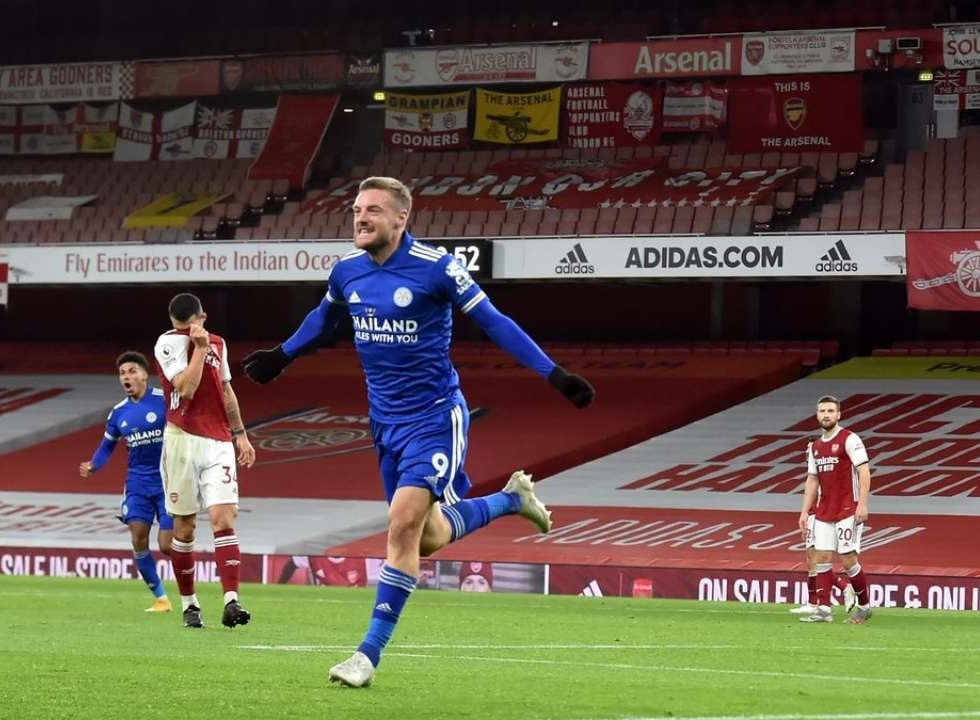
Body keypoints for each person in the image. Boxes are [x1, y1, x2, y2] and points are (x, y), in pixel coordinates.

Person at [241, 176, 594, 687]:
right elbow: (323, 318)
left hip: (434, 418)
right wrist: (283, 354)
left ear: (401, 218)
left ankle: (366, 656)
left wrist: (553, 374)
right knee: (427, 537)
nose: (361, 218)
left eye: (373, 210)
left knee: (402, 524)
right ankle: (511, 500)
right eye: (356, 210)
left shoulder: (438, 269)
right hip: (384, 423)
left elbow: (494, 321)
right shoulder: (347, 272)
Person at [155, 292, 257, 629]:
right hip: (181, 441)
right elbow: (185, 389)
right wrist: (199, 349)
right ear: (200, 316)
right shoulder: (168, 343)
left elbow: (225, 390)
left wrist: (240, 433)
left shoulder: (219, 343)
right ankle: (190, 604)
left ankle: (231, 601)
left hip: (218, 442)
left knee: (222, 519)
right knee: (184, 528)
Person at [79, 351, 173, 613]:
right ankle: (161, 599)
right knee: (138, 538)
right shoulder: (119, 413)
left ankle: (188, 584)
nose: (126, 377)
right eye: (122, 373)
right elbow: (107, 446)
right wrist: (93, 465)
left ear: (144, 374)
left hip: (169, 480)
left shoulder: (165, 400)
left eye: (132, 371)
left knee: (167, 546)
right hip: (137, 484)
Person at [797, 395, 874, 624]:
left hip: (848, 509)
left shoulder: (850, 439)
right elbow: (812, 479)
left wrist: (863, 503)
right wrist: (804, 511)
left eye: (831, 411)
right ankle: (823, 610)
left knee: (848, 559)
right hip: (825, 510)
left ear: (839, 414)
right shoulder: (815, 447)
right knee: (821, 556)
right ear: (817, 415)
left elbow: (864, 471)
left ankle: (864, 606)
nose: (826, 415)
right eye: (823, 411)